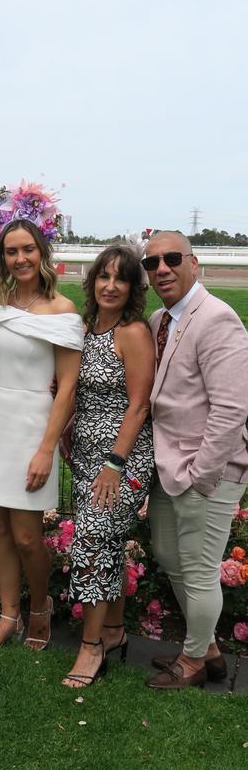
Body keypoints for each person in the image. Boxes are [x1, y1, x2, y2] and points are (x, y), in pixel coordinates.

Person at [0, 217, 83, 651]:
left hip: (36, 426)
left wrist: (46, 449)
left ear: (43, 253)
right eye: (11, 251)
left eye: (28, 249)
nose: (20, 258)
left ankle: (40, 606)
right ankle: (8, 615)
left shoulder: (63, 311)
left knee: (27, 537)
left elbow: (68, 386)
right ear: (2, 258)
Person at [141, 231, 248, 689]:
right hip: (170, 467)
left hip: (207, 472)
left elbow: (230, 409)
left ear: (193, 262)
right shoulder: (156, 321)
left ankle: (194, 661)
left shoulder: (217, 319)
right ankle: (207, 650)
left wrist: (202, 476)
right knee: (169, 555)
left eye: (171, 258)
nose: (161, 268)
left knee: (200, 569)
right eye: (151, 263)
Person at [61, 243, 154, 687]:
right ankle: (114, 632)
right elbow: (74, 389)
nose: (110, 285)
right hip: (84, 457)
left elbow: (139, 406)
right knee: (108, 542)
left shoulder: (132, 333)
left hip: (122, 459)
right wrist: (66, 432)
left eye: (121, 278)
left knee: (92, 540)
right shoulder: (85, 328)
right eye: (104, 276)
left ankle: (90, 646)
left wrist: (114, 463)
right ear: (92, 281)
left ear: (133, 288)